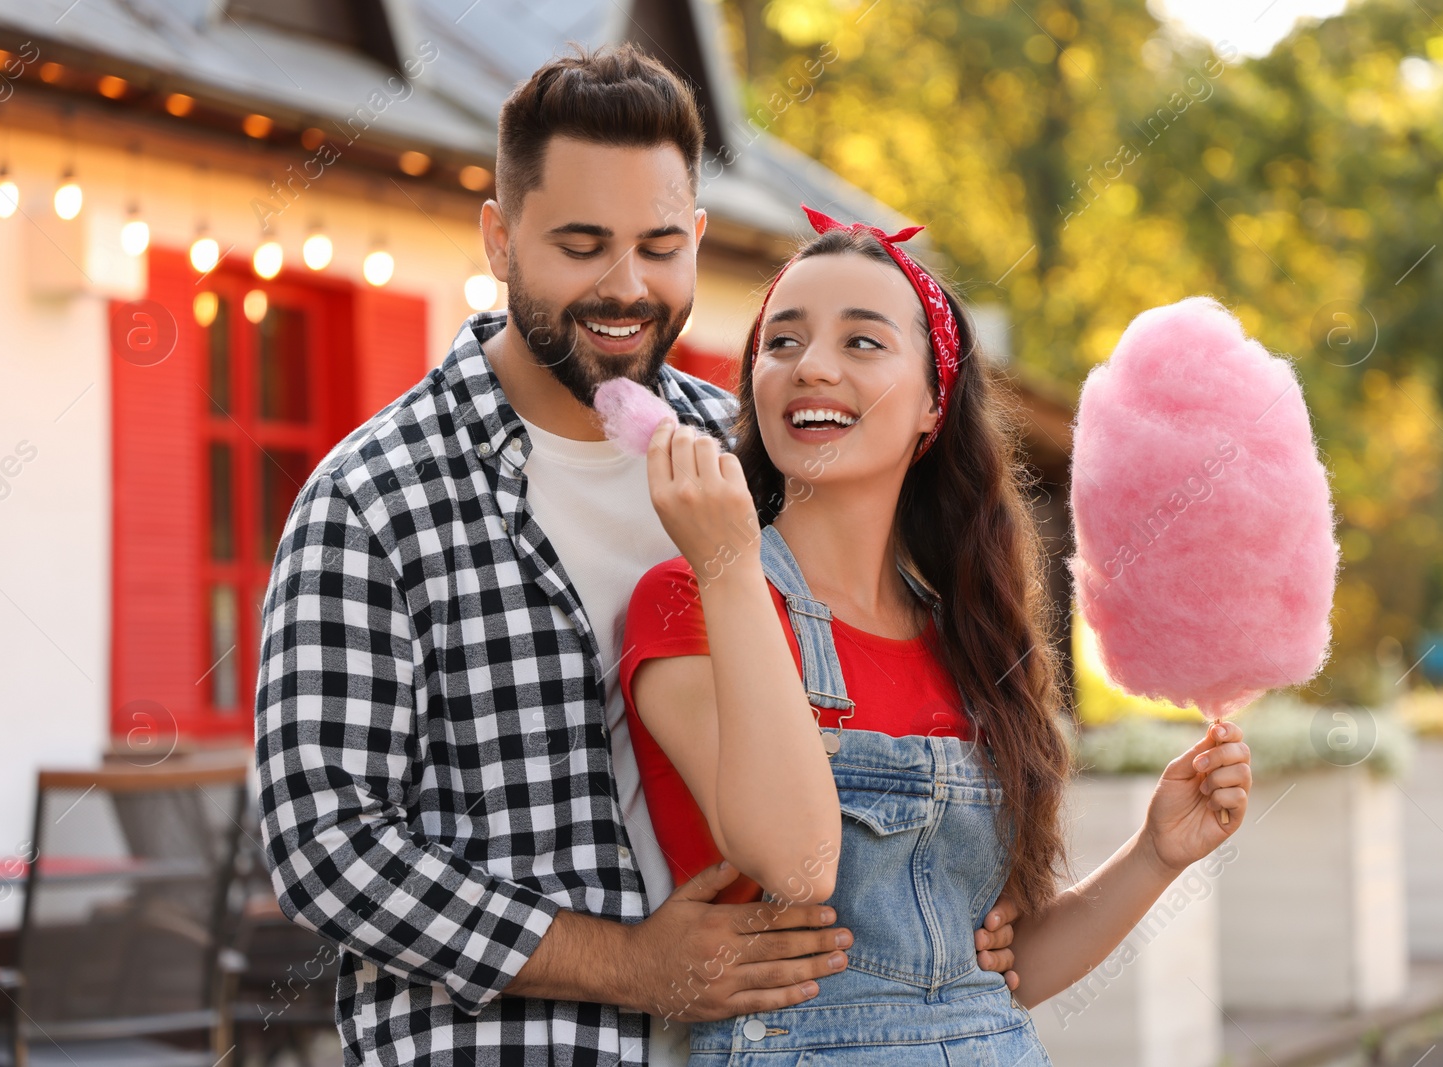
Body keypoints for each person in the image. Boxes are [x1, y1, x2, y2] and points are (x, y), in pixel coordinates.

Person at [254, 46, 1019, 1067]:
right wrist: (628, 964)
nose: (625, 286)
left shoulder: (752, 460)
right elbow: (327, 847)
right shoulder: (373, 497)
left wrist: (963, 903)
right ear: (499, 237)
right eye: (581, 244)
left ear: (697, 238)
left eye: (659, 246)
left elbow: (879, 693)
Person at [619, 206, 1255, 1063]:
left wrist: (1155, 852)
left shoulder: (969, 639)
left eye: (862, 342)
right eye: (783, 342)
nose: (812, 367)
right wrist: (730, 560)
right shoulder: (689, 598)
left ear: (931, 403)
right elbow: (797, 860)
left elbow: (992, 974)